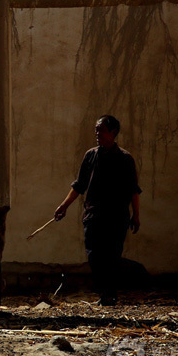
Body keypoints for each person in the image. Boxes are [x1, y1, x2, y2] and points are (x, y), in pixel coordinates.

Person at [53, 115, 141, 306]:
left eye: (101, 130)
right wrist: (64, 206)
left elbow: (133, 189)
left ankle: (109, 294)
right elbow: (79, 185)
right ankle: (104, 292)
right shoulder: (90, 155)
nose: (97, 133)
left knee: (112, 255)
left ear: (113, 132)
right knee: (94, 256)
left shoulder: (125, 159)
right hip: (93, 215)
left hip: (117, 216)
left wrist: (136, 215)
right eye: (96, 129)